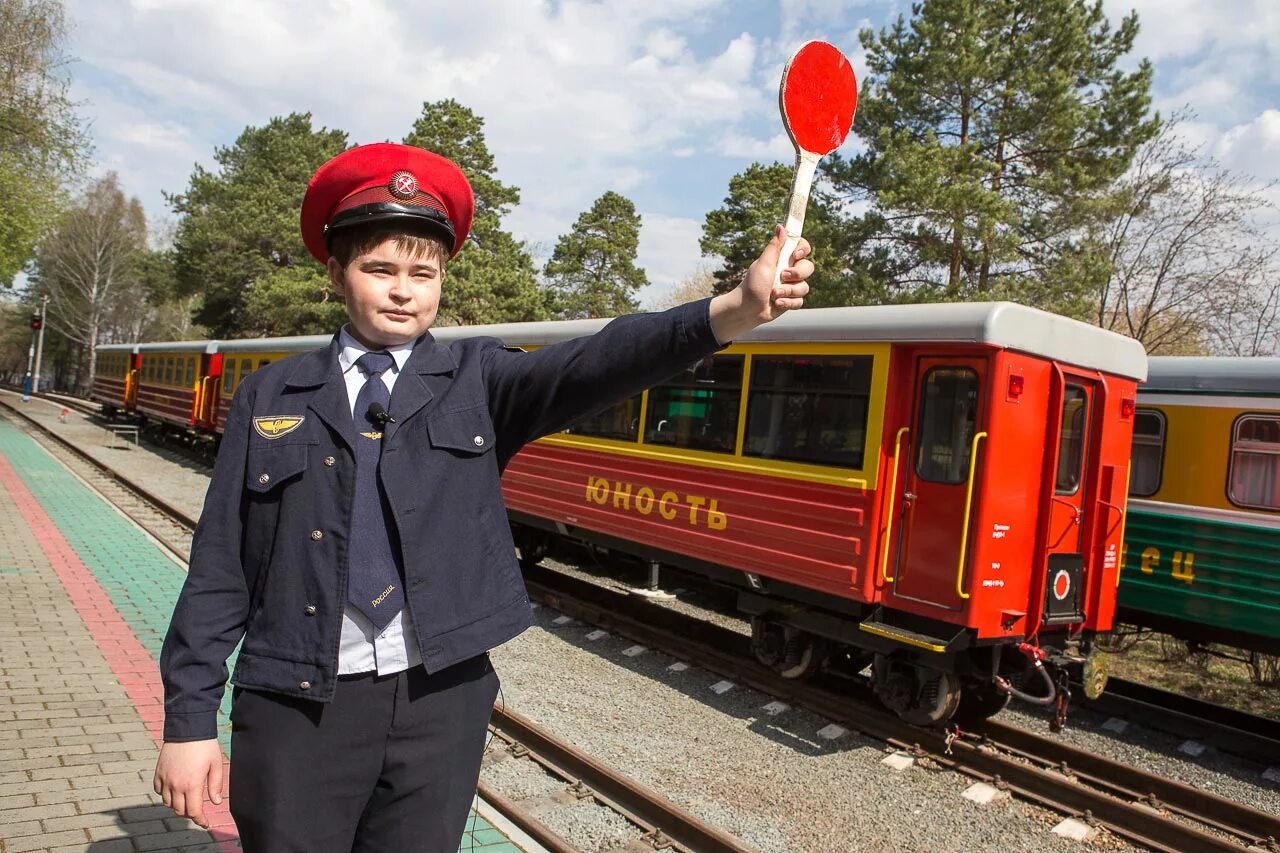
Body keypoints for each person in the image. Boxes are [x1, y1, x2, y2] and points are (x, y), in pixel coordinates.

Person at [153, 142, 813, 852]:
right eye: (380, 269)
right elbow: (221, 563)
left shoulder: (479, 380)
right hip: (296, 703)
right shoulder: (271, 394)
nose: (404, 290)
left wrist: (732, 311)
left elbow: (597, 360)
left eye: (423, 272)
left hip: (436, 704)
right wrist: (188, 720)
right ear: (335, 273)